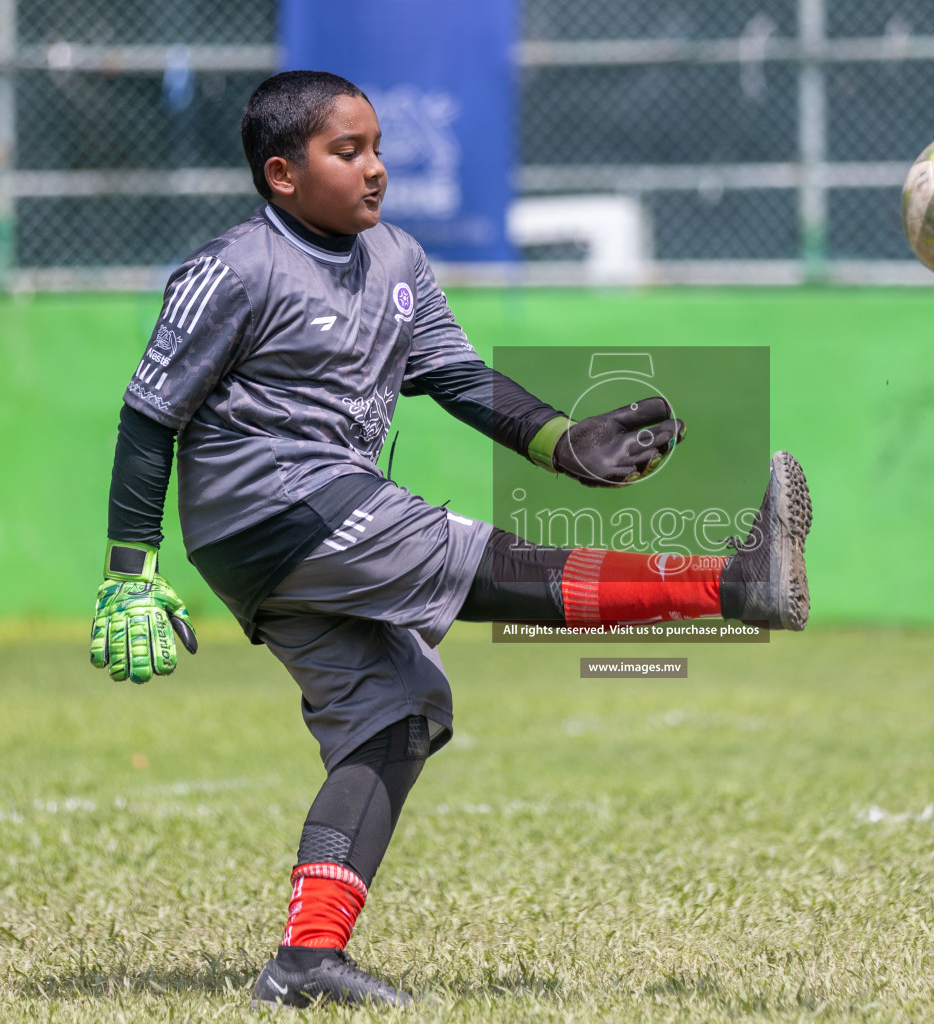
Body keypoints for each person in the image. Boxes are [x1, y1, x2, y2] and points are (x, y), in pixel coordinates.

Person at [88, 69, 812, 1010]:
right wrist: (127, 574)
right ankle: (732, 585)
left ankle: (306, 960)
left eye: (377, 147)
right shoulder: (235, 268)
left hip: (306, 529)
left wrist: (564, 442)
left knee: (399, 719)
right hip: (274, 504)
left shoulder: (397, 259)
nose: (375, 168)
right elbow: (149, 418)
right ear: (281, 174)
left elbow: (459, 376)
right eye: (346, 152)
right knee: (472, 557)